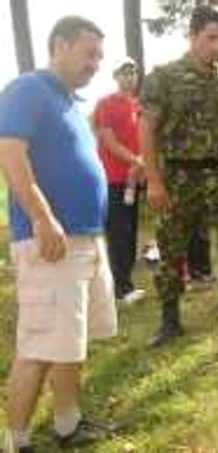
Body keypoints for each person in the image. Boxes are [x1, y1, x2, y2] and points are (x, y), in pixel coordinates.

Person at [0, 16, 117, 451]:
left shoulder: (70, 101)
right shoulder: (28, 89)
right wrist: (43, 218)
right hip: (48, 242)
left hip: (85, 239)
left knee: (71, 341)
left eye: (100, 57)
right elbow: (10, 154)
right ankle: (15, 441)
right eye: (89, 54)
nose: (95, 64)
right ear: (60, 46)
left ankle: (68, 424)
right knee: (38, 345)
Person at [140, 5, 218, 352]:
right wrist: (155, 181)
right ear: (191, 36)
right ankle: (169, 320)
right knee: (170, 250)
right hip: (178, 175)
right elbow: (146, 128)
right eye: (211, 38)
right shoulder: (163, 77)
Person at [93, 57, 146, 305]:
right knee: (118, 232)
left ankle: (125, 283)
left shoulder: (138, 105)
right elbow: (109, 141)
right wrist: (136, 160)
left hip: (134, 179)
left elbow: (145, 138)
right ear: (115, 76)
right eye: (124, 72)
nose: (130, 76)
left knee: (131, 229)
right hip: (114, 177)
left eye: (133, 72)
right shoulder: (106, 103)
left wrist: (142, 163)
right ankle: (120, 288)